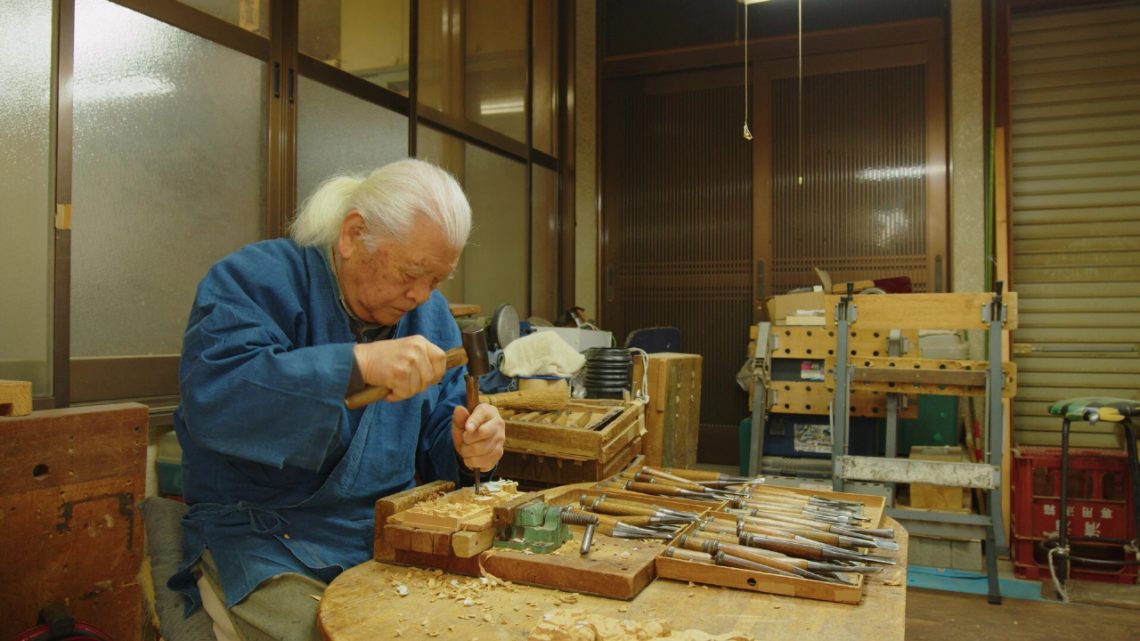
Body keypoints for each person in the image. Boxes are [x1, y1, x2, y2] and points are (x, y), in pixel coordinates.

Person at [168, 159, 506, 641]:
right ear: (353, 235)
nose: (421, 295)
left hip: (382, 535)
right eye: (412, 272)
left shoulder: (430, 317)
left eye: (437, 280)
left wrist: (470, 443)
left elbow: (441, 431)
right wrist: (355, 367)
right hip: (264, 536)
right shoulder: (253, 280)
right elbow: (219, 396)